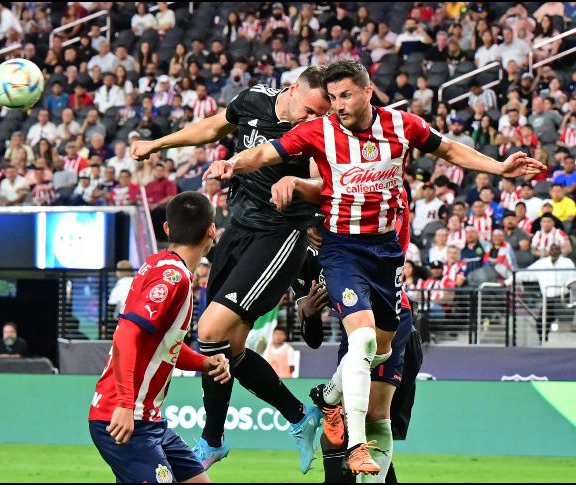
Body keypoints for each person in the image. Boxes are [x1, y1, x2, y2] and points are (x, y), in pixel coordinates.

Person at [204, 58, 545, 475]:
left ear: (368, 91)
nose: (338, 105)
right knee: (364, 345)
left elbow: (451, 149)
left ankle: (331, 397)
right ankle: (355, 444)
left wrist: (498, 167)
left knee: (378, 352)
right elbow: (265, 152)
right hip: (343, 250)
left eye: (345, 95)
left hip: (386, 258)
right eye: (332, 98)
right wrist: (232, 164)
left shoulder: (403, 127)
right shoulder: (319, 131)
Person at [131, 66, 331, 473]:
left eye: (320, 115)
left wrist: (304, 194)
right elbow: (213, 127)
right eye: (310, 110)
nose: (313, 120)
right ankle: (299, 416)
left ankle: (212, 440)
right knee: (229, 350)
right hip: (238, 230)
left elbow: (321, 179)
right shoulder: (255, 100)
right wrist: (159, 143)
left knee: (208, 330)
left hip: (280, 235)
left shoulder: (317, 132)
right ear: (292, 90)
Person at [89, 192, 231, 484]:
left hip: (149, 421)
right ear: (211, 231)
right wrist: (126, 404)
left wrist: (205, 363)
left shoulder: (156, 265)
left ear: (167, 229)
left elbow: (163, 347)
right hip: (123, 416)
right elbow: (125, 335)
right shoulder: (174, 278)